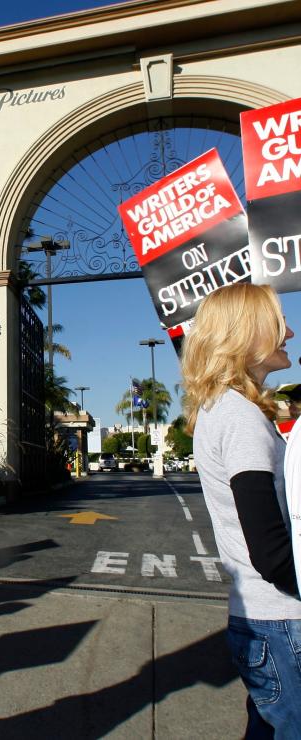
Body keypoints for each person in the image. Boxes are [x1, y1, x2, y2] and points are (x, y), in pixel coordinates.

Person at [182, 283, 301, 737]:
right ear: (246, 333)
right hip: (281, 620)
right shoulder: (240, 418)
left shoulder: (225, 409)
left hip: (263, 621)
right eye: (278, 321)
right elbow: (268, 547)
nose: (289, 332)